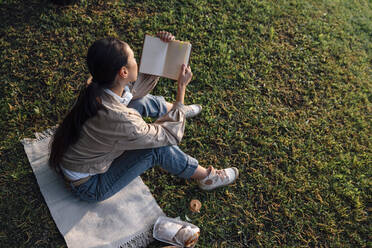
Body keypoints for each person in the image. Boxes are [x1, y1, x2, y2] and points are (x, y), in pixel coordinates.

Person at [49, 31, 239, 202]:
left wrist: (161, 47)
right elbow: (169, 135)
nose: (136, 62)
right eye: (133, 58)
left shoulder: (96, 85)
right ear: (123, 72)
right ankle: (207, 177)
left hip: (79, 159)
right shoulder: (120, 120)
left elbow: (135, 89)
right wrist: (181, 89)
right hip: (89, 186)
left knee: (140, 101)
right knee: (156, 150)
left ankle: (176, 112)